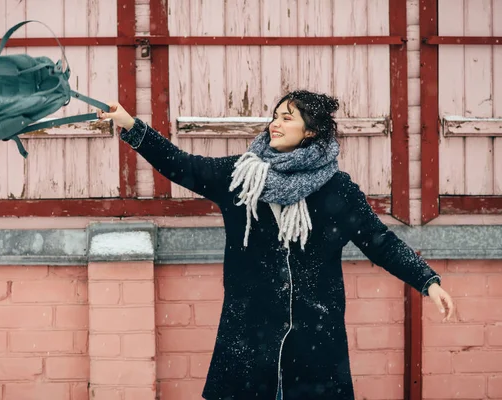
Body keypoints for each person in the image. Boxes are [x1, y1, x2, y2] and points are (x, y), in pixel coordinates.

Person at [97, 90, 454, 400]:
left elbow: (381, 242)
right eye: (274, 116)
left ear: (311, 131)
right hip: (249, 340)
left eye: (287, 117)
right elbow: (180, 165)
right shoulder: (242, 177)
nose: (274, 124)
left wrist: (427, 281)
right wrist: (132, 125)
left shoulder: (338, 191)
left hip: (314, 345)